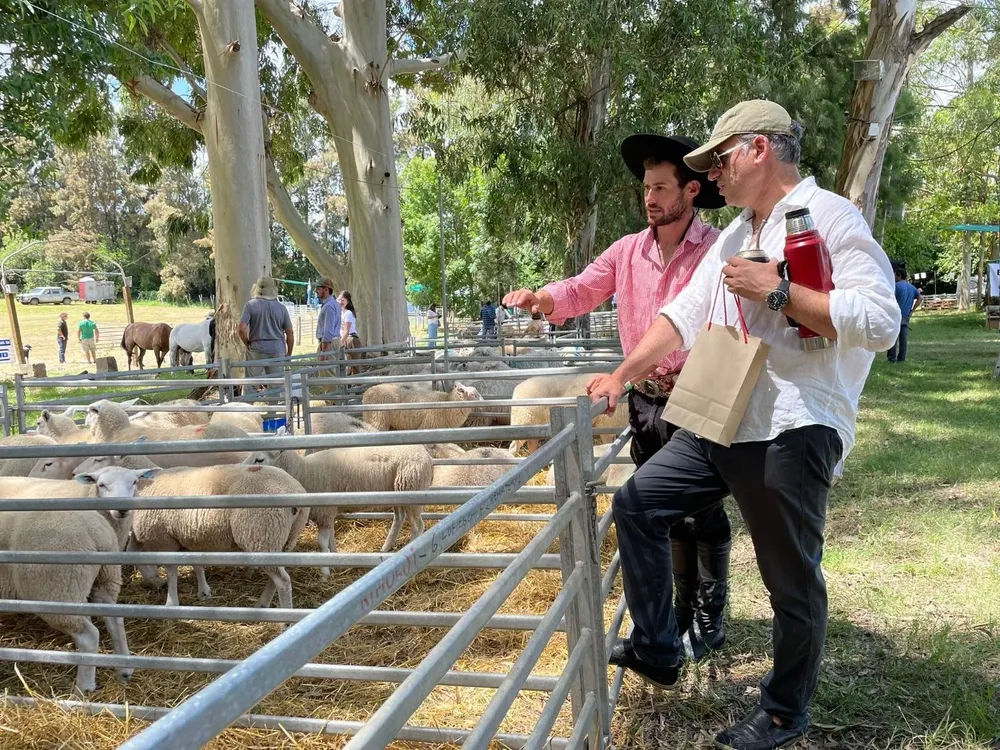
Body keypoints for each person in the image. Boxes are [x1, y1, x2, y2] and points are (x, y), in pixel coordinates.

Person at [587, 100, 900, 750]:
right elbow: (681, 313)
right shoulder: (734, 236)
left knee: (790, 582)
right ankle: (658, 645)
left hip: (796, 423)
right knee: (638, 503)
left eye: (718, 159)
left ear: (759, 149)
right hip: (726, 416)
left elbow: (881, 322)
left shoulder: (832, 218)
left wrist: (778, 290)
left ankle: (784, 714)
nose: (711, 176)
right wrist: (621, 375)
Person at [504, 133, 731, 660]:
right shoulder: (628, 251)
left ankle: (709, 613)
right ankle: (677, 610)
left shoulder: (718, 248)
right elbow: (582, 288)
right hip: (648, 400)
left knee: (704, 508)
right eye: (645, 189)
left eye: (660, 188)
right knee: (660, 506)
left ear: (691, 190)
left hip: (700, 394)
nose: (650, 198)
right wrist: (542, 300)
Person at [238, 276, 294, 383]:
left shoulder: (250, 305)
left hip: (257, 346)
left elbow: (241, 328)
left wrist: (247, 343)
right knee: (276, 383)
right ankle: (274, 399)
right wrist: (289, 352)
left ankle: (247, 399)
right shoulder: (281, 308)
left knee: (251, 383)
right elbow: (290, 333)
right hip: (277, 348)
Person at [888, 266, 921, 363]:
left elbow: (890, 299)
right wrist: (912, 310)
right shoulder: (911, 287)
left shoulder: (896, 286)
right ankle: (901, 358)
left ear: (898, 276)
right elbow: (920, 298)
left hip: (896, 315)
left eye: (895, 275)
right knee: (903, 338)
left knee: (893, 337)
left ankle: (891, 357)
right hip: (906, 315)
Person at [315, 277, 342, 375]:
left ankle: (332, 391)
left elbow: (328, 330)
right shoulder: (334, 304)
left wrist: (324, 352)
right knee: (335, 373)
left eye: (319, 288)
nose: (316, 291)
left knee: (328, 375)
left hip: (328, 344)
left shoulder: (329, 306)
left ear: (326, 289)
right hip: (334, 341)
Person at [338, 290, 362, 373]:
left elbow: (346, 330)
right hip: (345, 340)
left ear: (347, 302)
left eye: (343, 300)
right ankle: (348, 384)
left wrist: (340, 343)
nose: (340, 302)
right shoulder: (341, 313)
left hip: (351, 340)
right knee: (347, 367)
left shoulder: (348, 313)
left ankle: (357, 384)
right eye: (339, 299)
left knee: (354, 367)